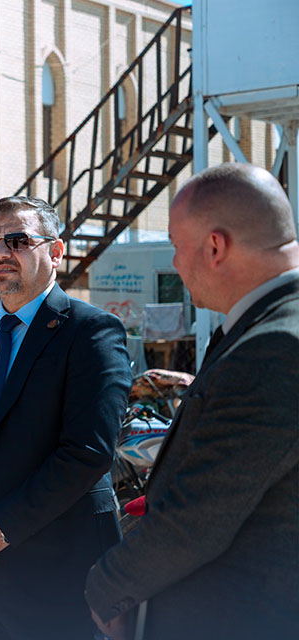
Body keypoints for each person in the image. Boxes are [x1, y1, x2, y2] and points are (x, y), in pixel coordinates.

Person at [86, 163, 299, 640]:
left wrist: (105, 587)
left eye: (177, 246)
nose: (176, 262)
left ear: (215, 247)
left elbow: (198, 517)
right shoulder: (273, 326)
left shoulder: (274, 346)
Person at [0, 195, 132, 639]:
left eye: (17, 241)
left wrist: (3, 528)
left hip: (58, 574)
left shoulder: (91, 331)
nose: (0, 253)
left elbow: (88, 452)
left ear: (55, 252)